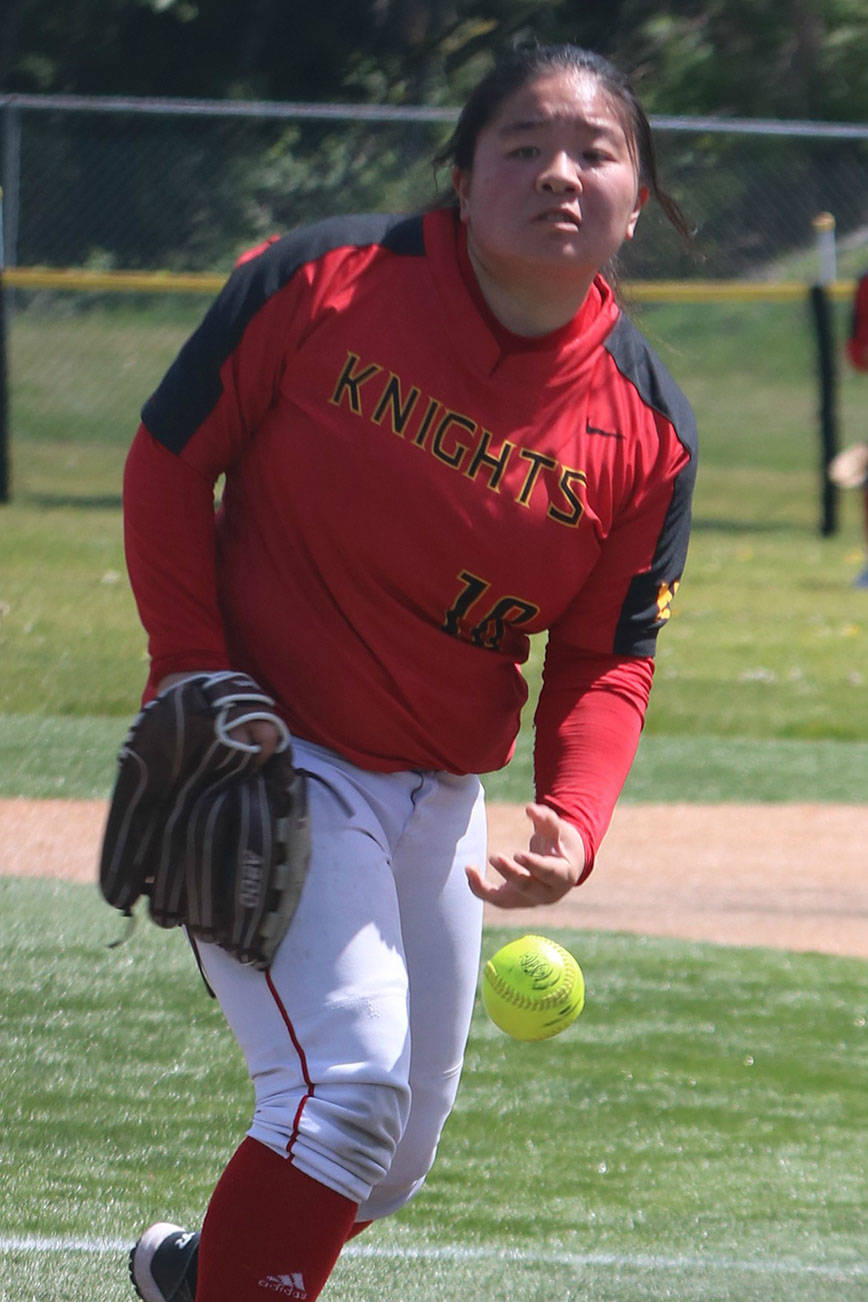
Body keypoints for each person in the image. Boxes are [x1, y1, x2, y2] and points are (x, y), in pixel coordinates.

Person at [122, 40, 697, 1302]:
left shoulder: (643, 424)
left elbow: (608, 653)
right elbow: (170, 460)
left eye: (596, 152)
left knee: (381, 1165)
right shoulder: (325, 279)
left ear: (638, 199)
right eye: (523, 146)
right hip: (270, 751)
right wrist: (191, 677)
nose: (560, 172)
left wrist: (577, 816)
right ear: (459, 173)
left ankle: (204, 1279)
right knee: (340, 1096)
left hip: (437, 791)